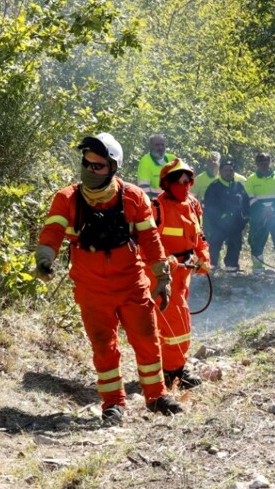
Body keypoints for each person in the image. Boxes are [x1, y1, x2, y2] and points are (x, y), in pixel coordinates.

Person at [33, 133, 183, 424]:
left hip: (131, 283)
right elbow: (51, 232)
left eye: (98, 166)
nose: (90, 170)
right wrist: (44, 259)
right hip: (92, 288)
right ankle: (113, 404)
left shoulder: (133, 197)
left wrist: (162, 277)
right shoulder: (67, 198)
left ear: (113, 167)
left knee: (147, 339)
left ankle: (156, 396)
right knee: (104, 346)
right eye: (87, 164)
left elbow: (151, 241)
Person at [148, 158, 211, 389]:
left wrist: (204, 258)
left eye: (188, 182)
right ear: (168, 183)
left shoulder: (193, 205)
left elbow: (200, 236)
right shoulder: (157, 208)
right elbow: (148, 242)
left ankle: (173, 367)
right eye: (181, 182)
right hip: (163, 274)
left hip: (184, 273)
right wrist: (167, 260)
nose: (186, 186)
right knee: (176, 322)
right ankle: (174, 372)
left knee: (177, 320)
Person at [203, 157, 249, 273]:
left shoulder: (239, 186)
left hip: (236, 225)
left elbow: (246, 203)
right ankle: (212, 266)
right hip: (218, 225)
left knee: (235, 245)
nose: (228, 173)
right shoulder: (214, 186)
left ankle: (232, 267)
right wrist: (220, 220)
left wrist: (244, 219)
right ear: (220, 172)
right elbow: (209, 206)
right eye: (226, 170)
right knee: (214, 245)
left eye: (231, 170)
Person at [247, 152, 275, 272]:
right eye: (260, 161)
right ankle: (258, 268)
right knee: (257, 241)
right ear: (256, 163)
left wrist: (271, 209)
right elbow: (250, 198)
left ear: (270, 162)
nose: (263, 163)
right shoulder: (251, 179)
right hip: (259, 217)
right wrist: (263, 210)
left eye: (266, 160)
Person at [135, 134, 176, 200]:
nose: (160, 148)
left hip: (172, 203)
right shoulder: (145, 161)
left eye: (162, 145)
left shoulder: (173, 159)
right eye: (157, 145)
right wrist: (152, 206)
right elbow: (144, 188)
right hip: (156, 204)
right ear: (151, 146)